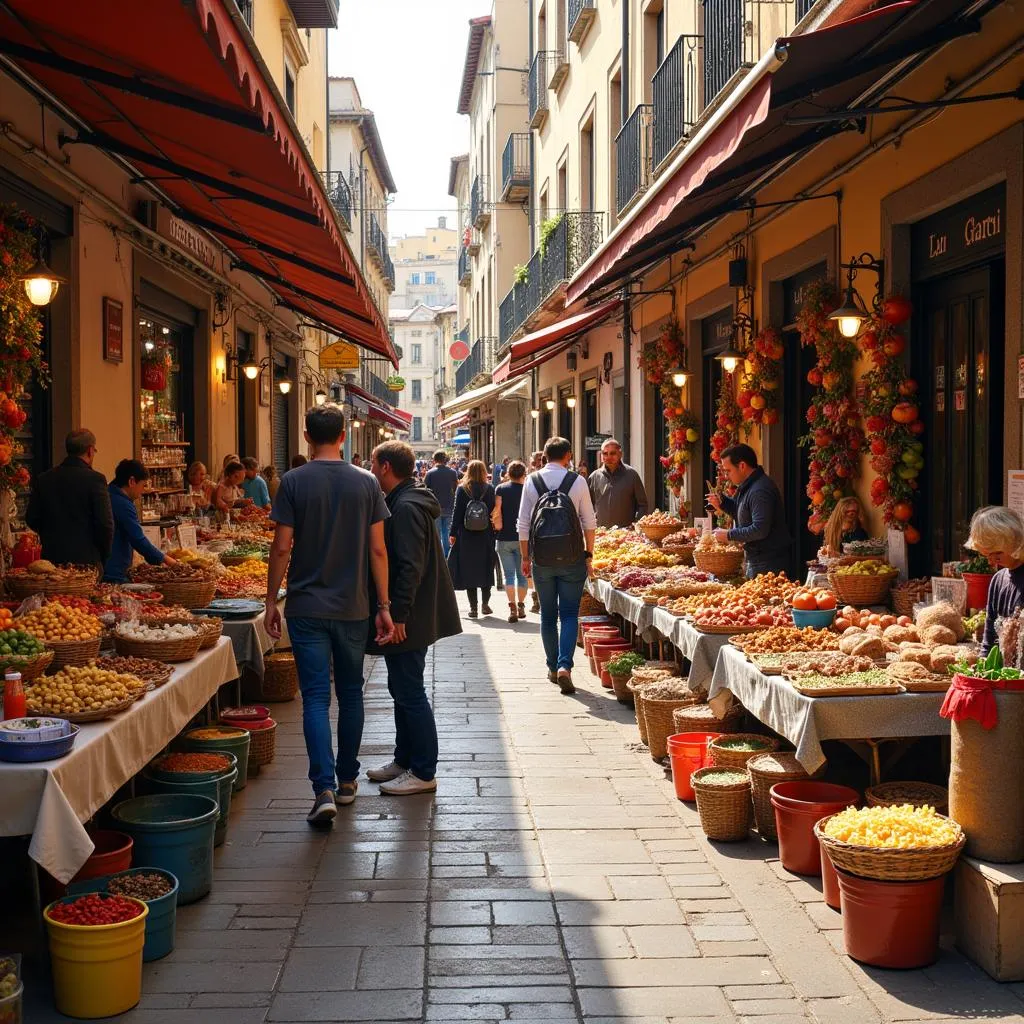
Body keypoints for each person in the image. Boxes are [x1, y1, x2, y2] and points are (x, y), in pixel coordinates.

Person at [264, 404, 393, 826]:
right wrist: (385, 605)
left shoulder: (293, 482)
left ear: (305, 436)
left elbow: (282, 547)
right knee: (351, 692)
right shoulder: (367, 482)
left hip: (305, 607)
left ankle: (322, 788)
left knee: (316, 697)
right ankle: (348, 780)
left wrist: (270, 600)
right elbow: (378, 549)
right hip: (353, 607)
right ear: (343, 436)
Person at [367, 441, 461, 794]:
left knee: (409, 690)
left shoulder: (405, 507)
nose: (372, 470)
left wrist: (398, 612)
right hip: (414, 612)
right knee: (400, 687)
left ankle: (423, 771)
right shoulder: (406, 499)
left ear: (387, 467)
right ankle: (404, 759)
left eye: (375, 463)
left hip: (411, 615)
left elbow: (409, 566)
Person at [518, 436, 597, 695]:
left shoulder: (532, 480)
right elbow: (589, 523)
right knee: (570, 614)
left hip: (542, 558)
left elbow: (523, 524)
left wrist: (525, 558)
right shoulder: (578, 481)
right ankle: (565, 665)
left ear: (544, 456)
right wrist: (589, 555)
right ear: (568, 456)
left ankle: (552, 667)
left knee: (548, 615)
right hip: (572, 557)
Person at [26, 429, 113, 568]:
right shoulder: (95, 479)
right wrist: (102, 555)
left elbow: (31, 518)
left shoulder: (45, 479)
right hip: (86, 561)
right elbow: (105, 524)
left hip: (52, 558)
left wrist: (50, 535)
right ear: (90, 451)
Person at [706, 443, 791, 578]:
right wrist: (723, 504)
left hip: (768, 564)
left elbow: (759, 529)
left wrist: (729, 535)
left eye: (728, 471)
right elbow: (743, 515)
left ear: (742, 466)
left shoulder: (760, 490)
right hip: (759, 560)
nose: (726, 476)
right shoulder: (749, 486)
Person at [103, 460, 177, 582]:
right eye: (143, 485)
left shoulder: (108, 493)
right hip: (114, 570)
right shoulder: (122, 503)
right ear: (132, 481)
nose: (143, 491)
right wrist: (166, 560)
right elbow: (137, 539)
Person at [965, 506, 1024, 655]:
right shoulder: (998, 580)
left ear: (1014, 543)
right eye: (986, 556)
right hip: (1007, 673)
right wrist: (983, 663)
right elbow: (989, 637)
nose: (992, 562)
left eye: (997, 555)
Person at [448, 459, 496, 619]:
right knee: (485, 567)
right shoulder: (489, 489)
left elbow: (457, 512)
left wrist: (453, 533)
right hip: (486, 534)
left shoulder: (462, 489)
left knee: (469, 570)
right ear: (483, 472)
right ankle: (485, 604)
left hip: (466, 535)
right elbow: (492, 513)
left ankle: (473, 608)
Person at [494, 460, 529, 622]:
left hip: (504, 537)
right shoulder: (528, 490)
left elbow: (496, 512)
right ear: (523, 474)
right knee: (522, 575)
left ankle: (512, 607)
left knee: (508, 575)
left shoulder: (500, 489)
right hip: (523, 538)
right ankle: (521, 605)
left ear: (508, 473)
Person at [588, 438, 648, 528]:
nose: (608, 457)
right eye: (605, 453)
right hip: (600, 534)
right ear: (601, 456)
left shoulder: (632, 475)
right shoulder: (594, 477)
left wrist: (636, 524)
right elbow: (587, 505)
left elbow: (643, 505)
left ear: (620, 454)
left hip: (626, 535)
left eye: (612, 453)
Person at [425, 450, 459, 558]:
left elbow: (426, 490)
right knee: (447, 533)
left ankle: (438, 555)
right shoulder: (453, 472)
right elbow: (455, 489)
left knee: (436, 533)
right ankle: (447, 555)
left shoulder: (430, 473)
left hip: (434, 508)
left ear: (434, 460)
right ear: (445, 460)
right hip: (449, 506)